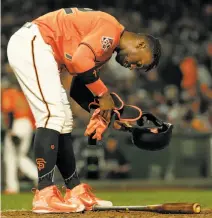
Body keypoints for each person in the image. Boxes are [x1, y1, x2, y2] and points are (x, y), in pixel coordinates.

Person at [7, 7, 161, 213]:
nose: (133, 67)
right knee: (52, 115)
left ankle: (75, 190)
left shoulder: (106, 46)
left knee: (64, 120)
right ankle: (44, 193)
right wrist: (104, 95)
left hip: (44, 51)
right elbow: (80, 62)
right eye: (139, 62)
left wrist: (103, 111)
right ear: (141, 44)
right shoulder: (110, 29)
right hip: (34, 42)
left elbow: (78, 86)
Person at [1, 80, 37, 194]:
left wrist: (11, 130)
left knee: (10, 157)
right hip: (28, 125)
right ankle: (40, 178)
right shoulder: (24, 96)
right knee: (20, 156)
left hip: (17, 124)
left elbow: (10, 111)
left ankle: (12, 187)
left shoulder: (9, 93)